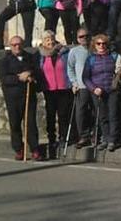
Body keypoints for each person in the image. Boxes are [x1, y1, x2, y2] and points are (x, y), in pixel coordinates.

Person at [0, 36, 42, 160]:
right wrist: (19, 77)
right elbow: (4, 78)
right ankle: (19, 149)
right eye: (14, 45)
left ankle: (34, 149)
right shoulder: (5, 61)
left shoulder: (30, 57)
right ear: (10, 46)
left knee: (31, 123)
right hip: (12, 97)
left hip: (29, 95)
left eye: (19, 44)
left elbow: (37, 70)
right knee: (15, 124)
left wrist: (30, 73)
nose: (17, 47)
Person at [83, 34, 121, 151]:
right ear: (94, 45)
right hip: (98, 91)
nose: (101, 46)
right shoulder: (91, 59)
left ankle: (112, 140)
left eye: (104, 43)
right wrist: (94, 89)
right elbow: (85, 77)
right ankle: (105, 138)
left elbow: (118, 72)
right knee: (102, 116)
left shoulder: (113, 56)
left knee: (113, 115)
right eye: (98, 44)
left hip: (112, 90)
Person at [37, 31, 72, 159]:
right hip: (49, 89)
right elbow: (38, 70)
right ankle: (51, 138)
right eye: (47, 40)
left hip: (63, 88)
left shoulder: (63, 52)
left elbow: (69, 67)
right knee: (50, 114)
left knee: (63, 114)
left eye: (51, 39)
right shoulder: (40, 55)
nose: (50, 42)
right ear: (43, 41)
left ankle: (63, 137)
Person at [66, 29, 92, 147]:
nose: (84, 38)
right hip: (81, 86)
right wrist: (74, 82)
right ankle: (83, 136)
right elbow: (70, 68)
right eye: (81, 37)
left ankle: (96, 134)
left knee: (96, 111)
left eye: (86, 36)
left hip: (96, 85)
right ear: (77, 38)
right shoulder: (74, 51)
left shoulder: (95, 48)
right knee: (80, 112)